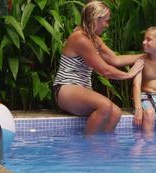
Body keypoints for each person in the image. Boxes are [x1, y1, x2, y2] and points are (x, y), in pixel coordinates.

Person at [53, 1, 144, 134]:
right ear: (96, 19)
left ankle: (103, 149)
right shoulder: (80, 38)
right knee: (105, 106)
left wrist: (146, 56)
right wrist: (129, 75)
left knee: (116, 113)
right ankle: (89, 148)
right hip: (65, 88)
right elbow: (105, 70)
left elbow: (115, 59)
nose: (107, 25)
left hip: (81, 89)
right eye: (106, 21)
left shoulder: (93, 38)